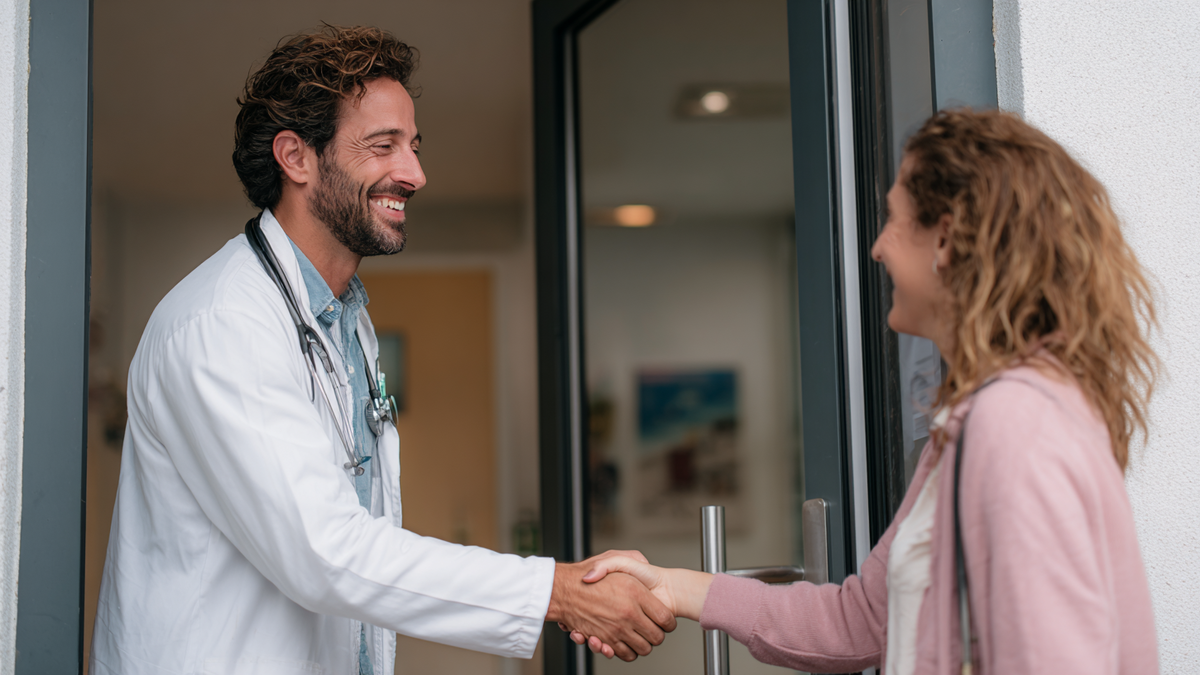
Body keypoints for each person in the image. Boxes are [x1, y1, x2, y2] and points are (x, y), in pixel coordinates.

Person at [90, 25, 674, 675]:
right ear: (296, 157)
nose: (415, 173)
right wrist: (557, 592)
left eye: (414, 146)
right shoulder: (221, 324)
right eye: (383, 146)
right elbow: (327, 552)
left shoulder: (347, 321)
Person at [568, 109, 1160, 674]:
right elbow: (863, 620)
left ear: (947, 240)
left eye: (895, 219)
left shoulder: (1015, 425)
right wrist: (672, 587)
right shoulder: (977, 422)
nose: (877, 246)